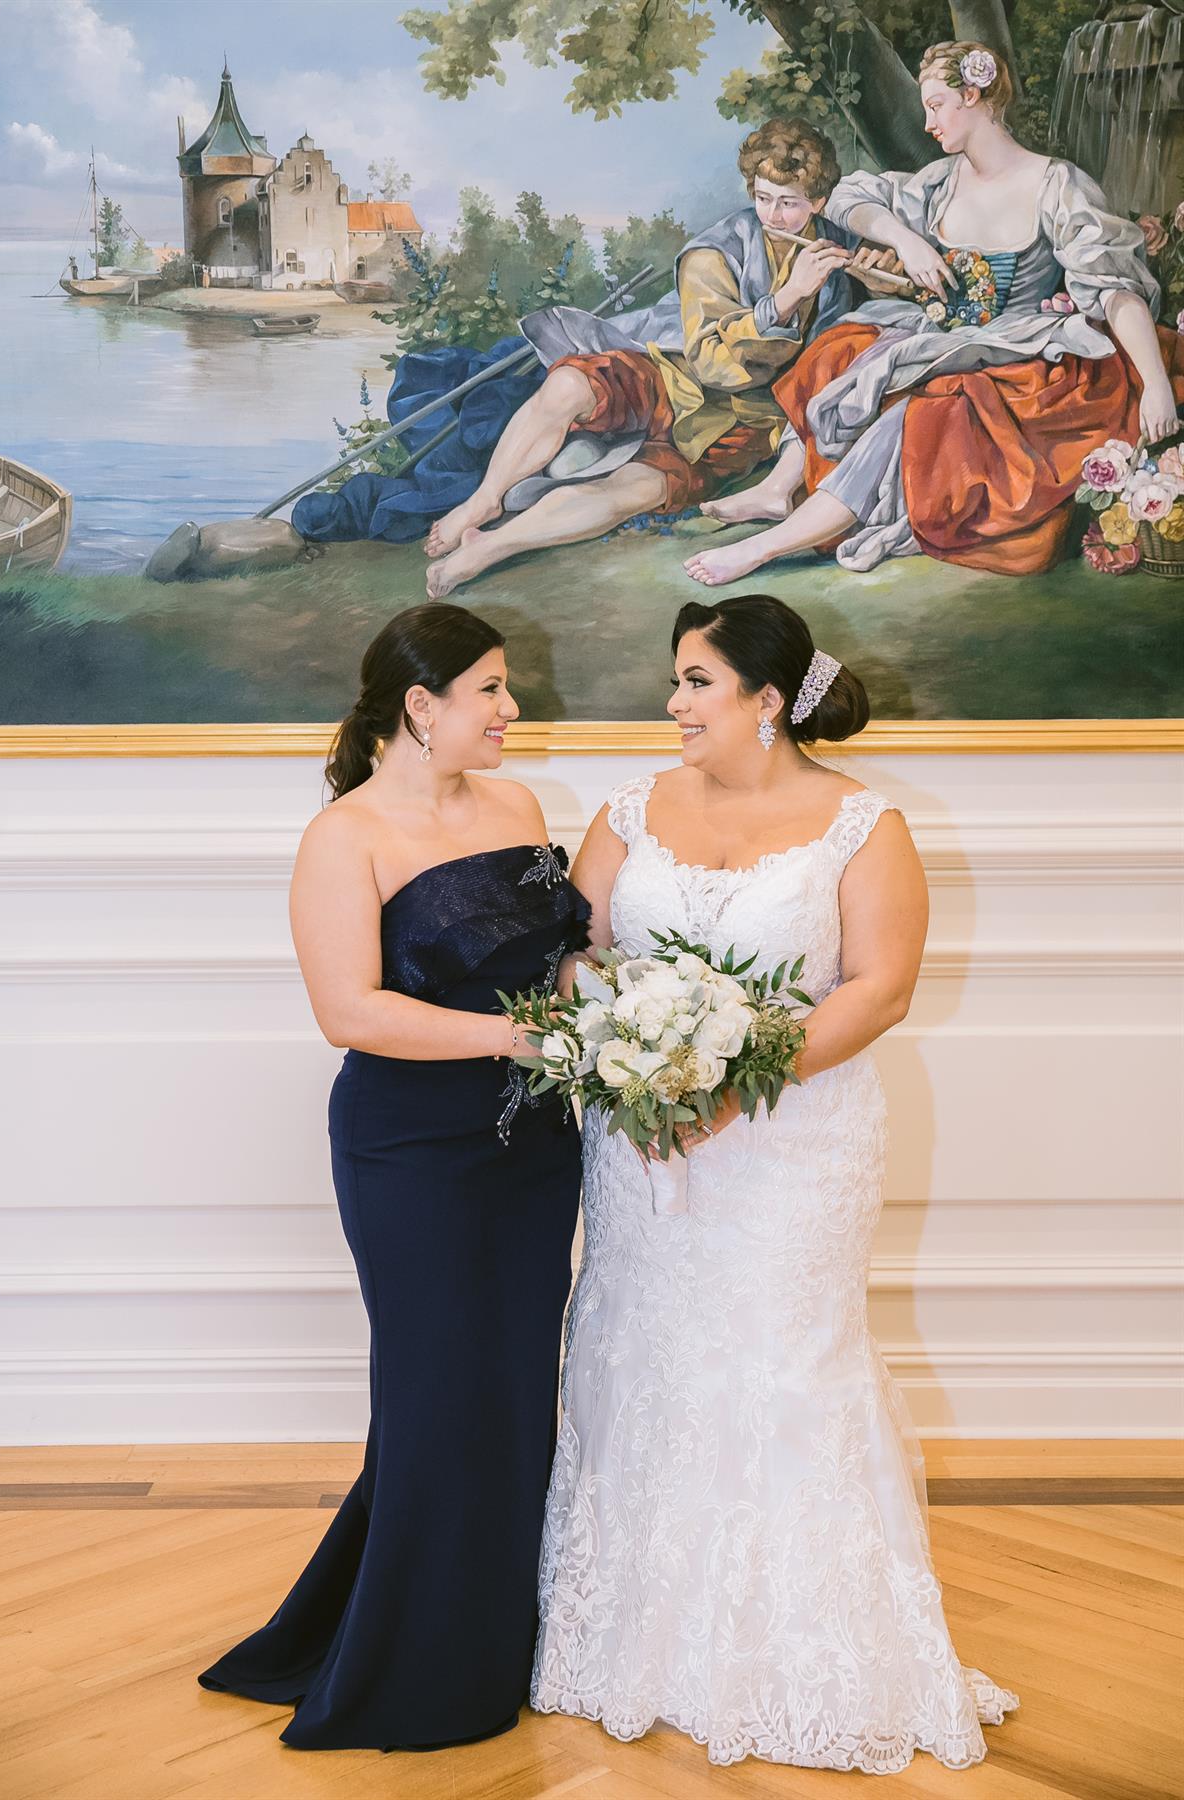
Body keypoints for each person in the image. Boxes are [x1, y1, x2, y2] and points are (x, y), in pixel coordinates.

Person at [531, 593, 1019, 1771]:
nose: (674, 703)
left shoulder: (864, 825)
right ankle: (633, 1643)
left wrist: (731, 1084)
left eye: (695, 681)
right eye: (676, 679)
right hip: (644, 1144)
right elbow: (575, 953)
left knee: (785, 1361)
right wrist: (631, 1049)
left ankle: (802, 1656)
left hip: (794, 1147)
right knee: (640, 1350)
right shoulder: (628, 809)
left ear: (765, 699)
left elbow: (879, 986)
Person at [198, 603, 589, 1751]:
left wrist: (611, 1006)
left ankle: (493, 1637)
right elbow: (350, 1013)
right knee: (433, 1399)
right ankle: (411, 1666)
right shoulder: (345, 837)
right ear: (421, 706)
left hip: (535, 1148)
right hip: (412, 1150)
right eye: (491, 690)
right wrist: (519, 1038)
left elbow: (555, 957)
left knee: (512, 1394)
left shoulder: (519, 808)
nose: (511, 710)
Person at [683, 39, 1182, 586]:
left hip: (1020, 354)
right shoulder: (940, 183)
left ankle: (766, 547)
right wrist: (908, 241)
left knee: (921, 412)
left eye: (936, 105)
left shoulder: (1055, 184)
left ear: (974, 97)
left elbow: (1115, 292)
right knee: (841, 349)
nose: (928, 123)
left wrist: (1155, 384)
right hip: (945, 341)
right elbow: (847, 197)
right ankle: (780, 488)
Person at [423, 119, 903, 597]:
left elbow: (860, 323)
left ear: (817, 202)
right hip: (673, 372)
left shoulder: (837, 242)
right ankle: (485, 500)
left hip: (746, 420)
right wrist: (784, 300)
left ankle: (491, 546)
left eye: (789, 203)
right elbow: (711, 362)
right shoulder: (713, 253)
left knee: (640, 490)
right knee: (570, 383)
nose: (773, 215)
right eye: (763, 198)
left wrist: (880, 276)